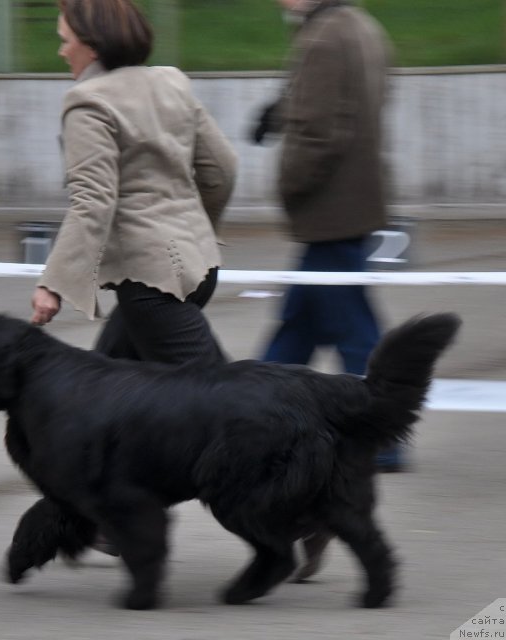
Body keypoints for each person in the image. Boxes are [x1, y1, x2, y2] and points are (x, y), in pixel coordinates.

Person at [251, 0, 397, 578]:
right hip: (357, 199)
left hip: (329, 207)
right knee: (299, 323)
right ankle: (260, 414)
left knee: (353, 328)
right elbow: (351, 106)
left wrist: (289, 186)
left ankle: (382, 437)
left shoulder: (322, 40)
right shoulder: (362, 26)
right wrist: (279, 112)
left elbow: (319, 131)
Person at [31, 0, 236, 370]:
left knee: (221, 399)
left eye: (65, 40)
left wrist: (53, 283)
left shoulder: (87, 102)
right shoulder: (171, 81)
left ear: (91, 46)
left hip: (150, 282)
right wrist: (195, 230)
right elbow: (222, 169)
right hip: (200, 266)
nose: (61, 51)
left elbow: (93, 200)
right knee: (104, 387)